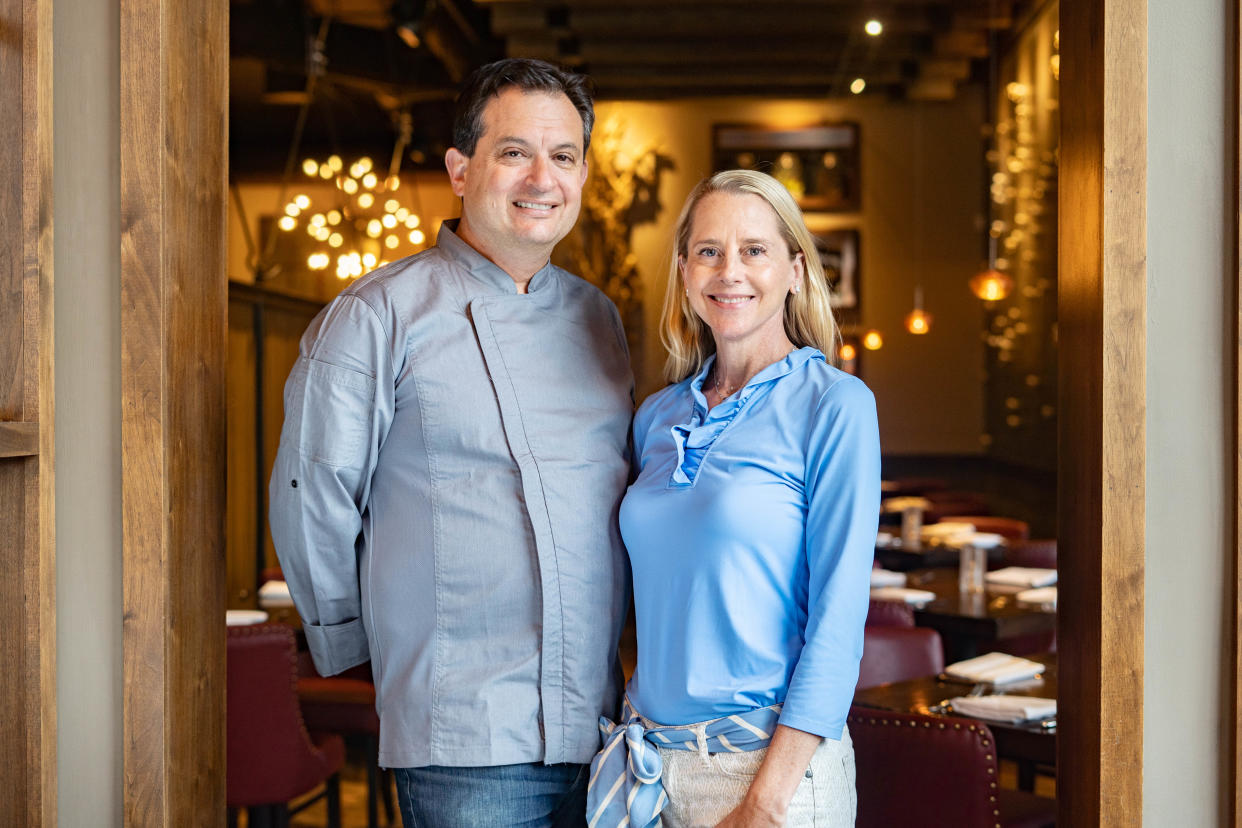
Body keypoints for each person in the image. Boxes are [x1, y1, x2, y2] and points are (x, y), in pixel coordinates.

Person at [269, 58, 634, 828]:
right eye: (514, 152)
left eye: (563, 156)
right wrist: (358, 653)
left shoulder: (599, 320)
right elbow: (312, 494)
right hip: (465, 738)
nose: (543, 177)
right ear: (461, 169)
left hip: (605, 732)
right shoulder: (378, 314)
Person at [588, 170, 880, 828]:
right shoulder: (656, 417)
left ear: (795, 271)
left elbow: (837, 622)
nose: (730, 271)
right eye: (709, 251)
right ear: (686, 271)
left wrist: (767, 801)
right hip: (653, 763)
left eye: (754, 249)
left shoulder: (835, 406)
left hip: (770, 773)